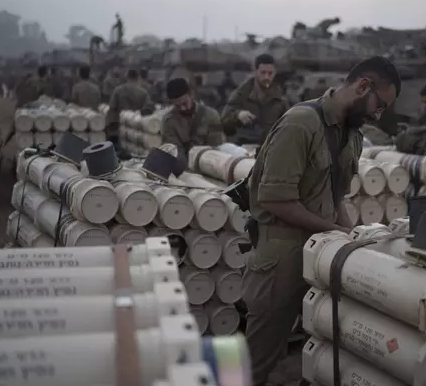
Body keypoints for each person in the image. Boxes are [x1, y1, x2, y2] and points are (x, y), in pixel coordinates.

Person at [242, 56, 401, 386]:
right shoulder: (301, 123)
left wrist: (351, 236)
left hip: (322, 251)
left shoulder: (351, 134)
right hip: (281, 255)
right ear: (362, 86)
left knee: (322, 348)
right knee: (258, 356)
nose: (378, 115)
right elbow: (275, 198)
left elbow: (334, 195)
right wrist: (337, 231)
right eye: (380, 105)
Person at [221, 54, 290, 144]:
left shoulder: (280, 98)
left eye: (270, 73)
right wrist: (237, 115)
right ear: (255, 71)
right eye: (263, 72)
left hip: (271, 147)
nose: (266, 77)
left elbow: (289, 124)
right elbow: (224, 121)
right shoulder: (241, 94)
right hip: (245, 147)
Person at [161, 78, 224, 156]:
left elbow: (217, 146)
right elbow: (173, 151)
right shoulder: (169, 121)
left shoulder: (211, 116)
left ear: (191, 95)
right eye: (177, 105)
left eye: (184, 103)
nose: (182, 108)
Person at [106, 69, 154, 158]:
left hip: (120, 129)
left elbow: (112, 109)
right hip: (137, 131)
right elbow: (149, 108)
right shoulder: (143, 92)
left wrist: (110, 128)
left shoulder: (118, 90)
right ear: (138, 77)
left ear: (127, 77)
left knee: (120, 155)